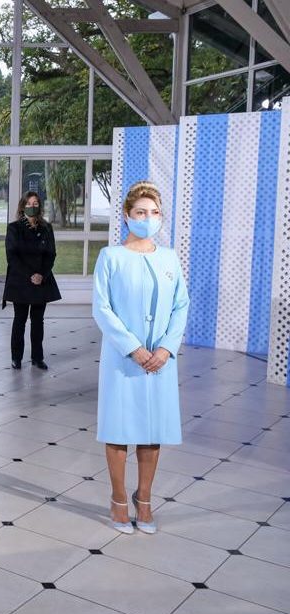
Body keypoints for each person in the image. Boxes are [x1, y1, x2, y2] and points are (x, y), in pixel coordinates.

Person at [93, 181, 188, 535]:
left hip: (161, 361)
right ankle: (118, 499)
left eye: (155, 213)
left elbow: (181, 306)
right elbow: (102, 309)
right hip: (123, 360)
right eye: (141, 213)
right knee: (118, 429)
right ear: (127, 216)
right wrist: (133, 347)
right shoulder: (111, 258)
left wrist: (166, 348)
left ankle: (143, 498)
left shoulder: (169, 258)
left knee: (153, 430)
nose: (149, 219)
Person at [2, 191, 61, 370]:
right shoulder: (14, 228)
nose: (32, 206)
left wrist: (41, 274)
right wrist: (30, 275)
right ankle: (16, 358)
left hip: (42, 281)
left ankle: (37, 358)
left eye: (36, 203)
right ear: (22, 206)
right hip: (21, 281)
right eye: (29, 203)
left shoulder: (46, 227)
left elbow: (51, 254)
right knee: (19, 320)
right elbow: (12, 257)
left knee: (38, 321)